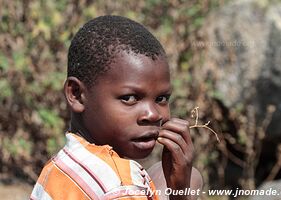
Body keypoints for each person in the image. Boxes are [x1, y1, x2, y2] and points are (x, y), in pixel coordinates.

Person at [30, 15, 202, 200]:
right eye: (129, 98)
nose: (153, 115)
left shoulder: (62, 164)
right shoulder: (122, 189)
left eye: (161, 98)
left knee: (182, 175)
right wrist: (181, 194)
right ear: (77, 94)